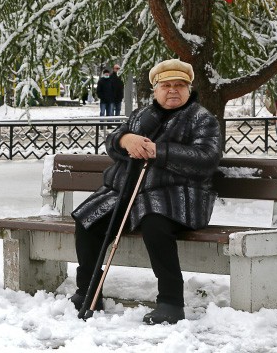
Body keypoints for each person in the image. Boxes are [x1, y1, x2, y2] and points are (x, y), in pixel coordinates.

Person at [70, 59, 222, 325]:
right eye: (166, 85)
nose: (173, 90)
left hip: (181, 196)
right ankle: (88, 290)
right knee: (88, 219)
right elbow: (113, 142)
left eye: (179, 85)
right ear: (155, 89)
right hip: (128, 193)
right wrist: (124, 139)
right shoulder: (141, 115)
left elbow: (206, 158)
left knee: (154, 223)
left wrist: (159, 152)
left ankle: (171, 302)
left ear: (188, 88)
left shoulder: (202, 119)